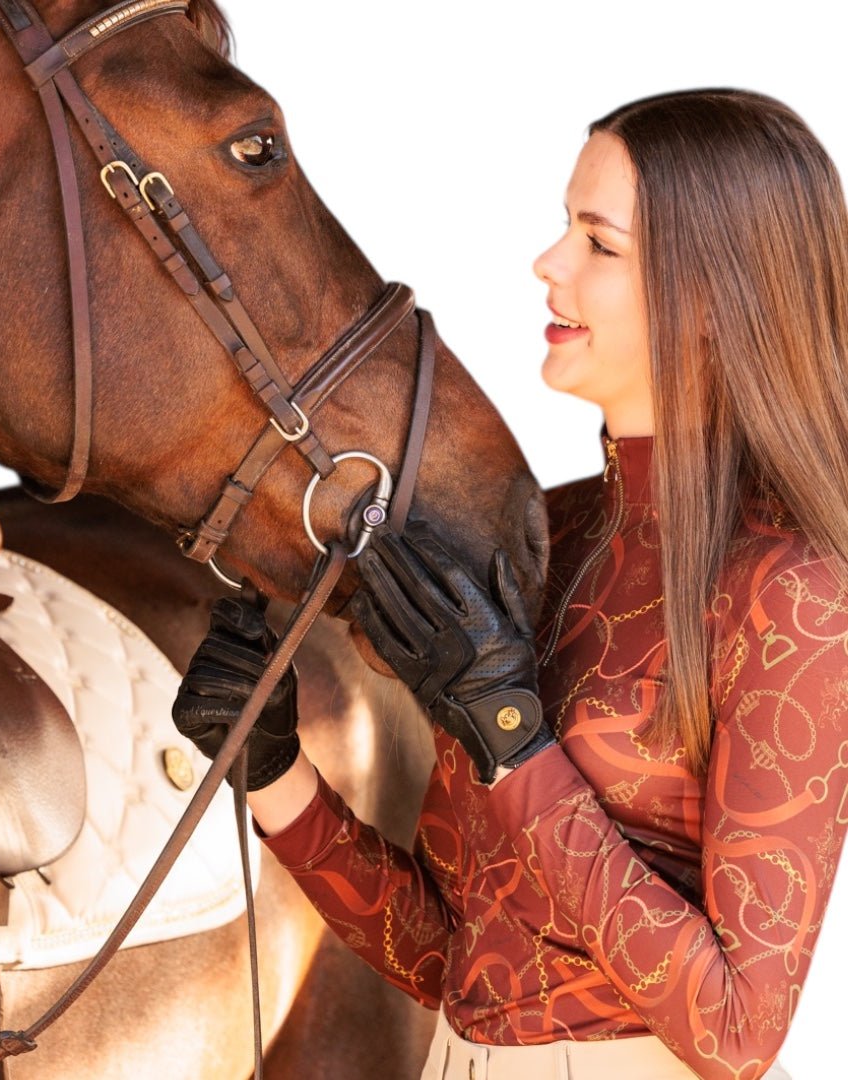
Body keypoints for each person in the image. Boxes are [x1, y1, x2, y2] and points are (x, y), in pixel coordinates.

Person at [172, 89, 848, 1079]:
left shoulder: (794, 590)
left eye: (599, 243)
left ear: (715, 299)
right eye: (565, 227)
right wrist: (273, 773)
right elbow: (457, 961)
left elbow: (740, 1029)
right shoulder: (539, 538)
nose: (548, 262)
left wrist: (513, 746)